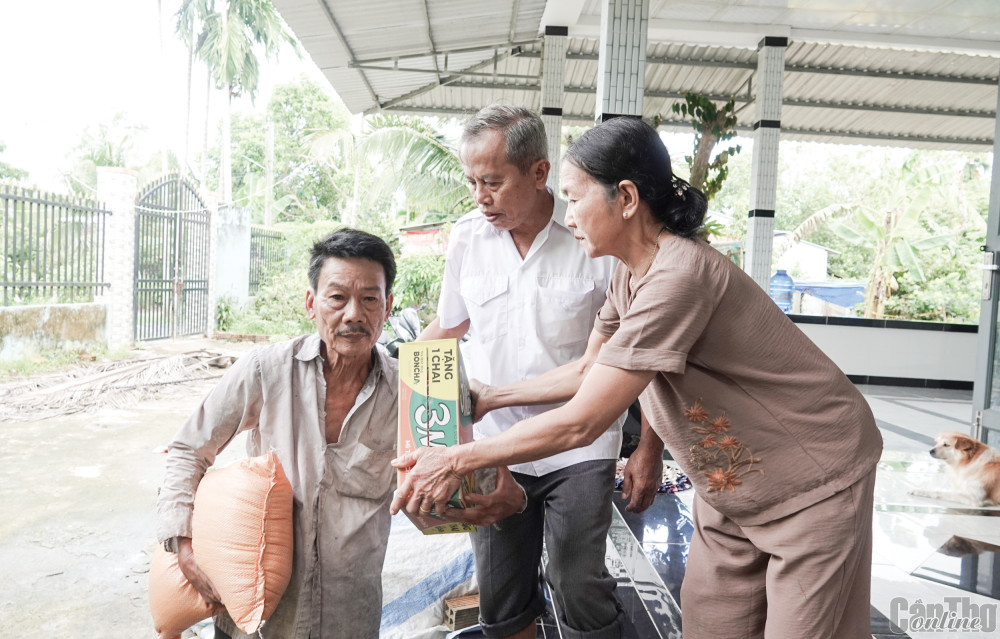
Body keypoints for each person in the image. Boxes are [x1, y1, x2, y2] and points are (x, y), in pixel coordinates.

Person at [392, 117, 884, 639]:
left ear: (625, 198)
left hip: (811, 478)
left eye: (577, 199)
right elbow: (587, 370)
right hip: (731, 490)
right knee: (711, 622)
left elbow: (585, 421)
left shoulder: (679, 276)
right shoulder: (629, 272)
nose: (570, 215)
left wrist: (456, 458)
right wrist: (492, 397)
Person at [156, 228, 525, 639]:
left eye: (370, 299)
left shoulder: (417, 392)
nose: (354, 314)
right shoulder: (266, 370)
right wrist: (182, 544)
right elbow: (190, 448)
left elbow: (482, 490)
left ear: (387, 309)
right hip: (254, 618)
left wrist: (502, 487)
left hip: (348, 621)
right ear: (312, 303)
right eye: (337, 298)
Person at [416, 104, 665, 639]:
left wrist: (648, 448)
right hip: (491, 443)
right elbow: (448, 327)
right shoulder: (467, 238)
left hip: (580, 446)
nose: (479, 196)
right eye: (471, 182)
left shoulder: (596, 235)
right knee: (502, 595)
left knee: (577, 583)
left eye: (492, 182)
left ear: (538, 172)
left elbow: (640, 354)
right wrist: (384, 377)